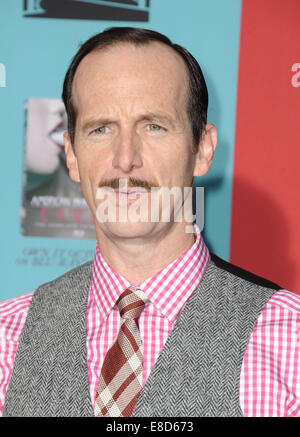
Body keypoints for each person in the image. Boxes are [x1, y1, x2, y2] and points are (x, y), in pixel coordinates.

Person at [1, 27, 299, 417]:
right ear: (71, 155)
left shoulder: (290, 345)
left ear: (202, 149)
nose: (125, 158)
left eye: (153, 126)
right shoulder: (8, 337)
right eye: (101, 128)